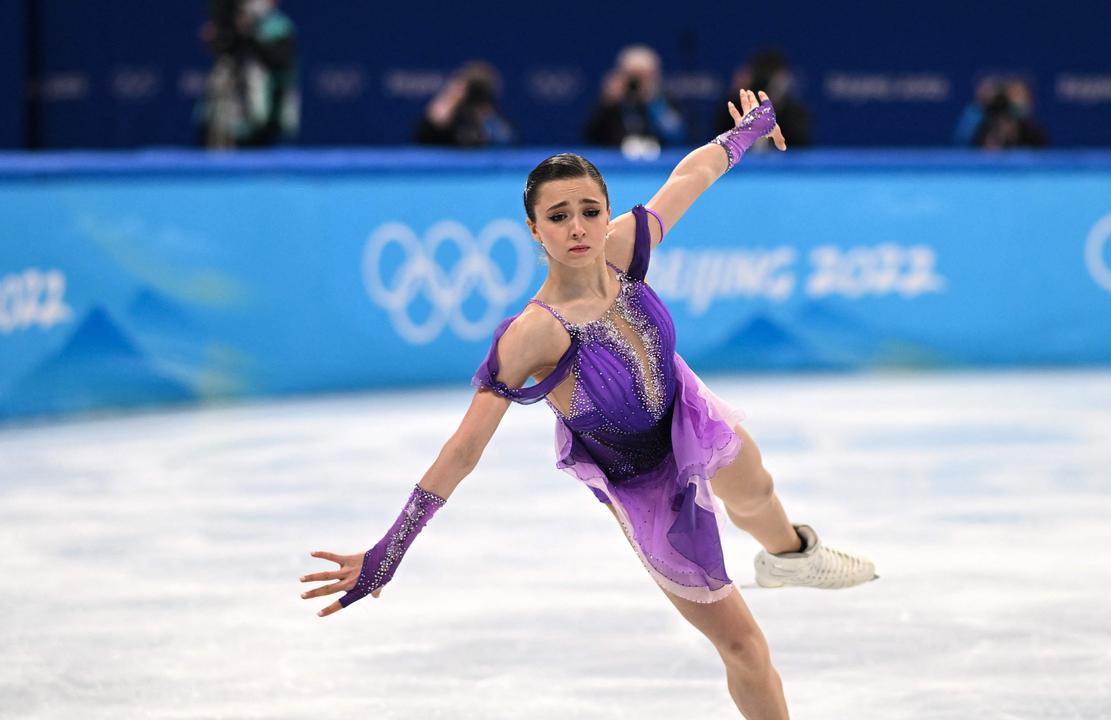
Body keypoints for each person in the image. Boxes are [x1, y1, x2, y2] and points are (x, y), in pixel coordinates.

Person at [302, 90, 876, 719]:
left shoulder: (624, 248)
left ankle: (792, 557)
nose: (576, 228)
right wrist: (392, 548)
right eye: (558, 216)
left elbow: (691, 175)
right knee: (744, 647)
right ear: (533, 229)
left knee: (756, 490)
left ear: (605, 214)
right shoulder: (533, 334)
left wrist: (746, 135)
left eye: (588, 211)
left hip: (682, 406)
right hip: (642, 482)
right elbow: (464, 449)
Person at [197, 0, 298, 148]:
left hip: (264, 116)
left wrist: (252, 34)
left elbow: (280, 62)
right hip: (229, 113)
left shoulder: (280, 26)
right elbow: (223, 49)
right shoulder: (235, 22)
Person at [582, 44, 685, 156]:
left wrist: (653, 102)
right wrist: (607, 102)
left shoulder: (665, 99)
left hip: (658, 164)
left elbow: (676, 135)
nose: (637, 82)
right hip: (615, 164)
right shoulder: (611, 102)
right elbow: (590, 137)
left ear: (655, 75)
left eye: (644, 75)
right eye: (633, 75)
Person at [717, 49, 811, 148]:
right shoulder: (736, 108)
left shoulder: (795, 113)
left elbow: (799, 148)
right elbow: (722, 140)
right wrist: (735, 95)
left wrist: (776, 106)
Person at [414, 61, 516, 147]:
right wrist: (451, 97)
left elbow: (507, 143)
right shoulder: (447, 123)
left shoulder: (497, 126)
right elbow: (424, 136)